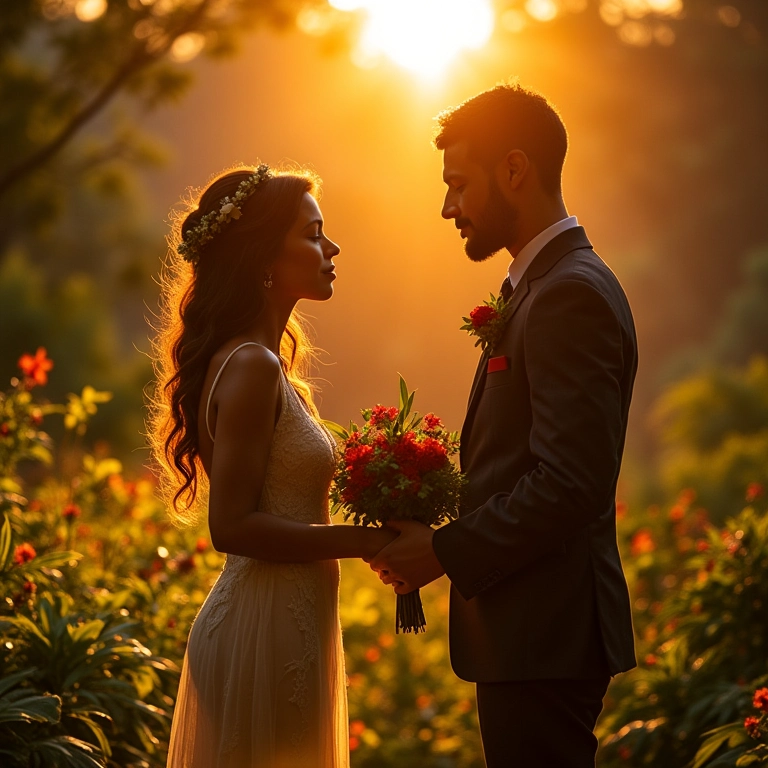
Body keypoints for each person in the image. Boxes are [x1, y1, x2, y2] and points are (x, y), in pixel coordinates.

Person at [371, 83, 638, 767]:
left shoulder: (569, 293)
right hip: (532, 636)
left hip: (547, 638)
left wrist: (444, 550)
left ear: (514, 169)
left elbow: (571, 483)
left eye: (458, 183)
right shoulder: (543, 286)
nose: (447, 207)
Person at [149, 163, 396, 768]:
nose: (331, 247)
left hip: (293, 622)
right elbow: (230, 526)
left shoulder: (263, 365)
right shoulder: (253, 366)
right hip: (263, 631)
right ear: (264, 257)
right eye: (313, 233)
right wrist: (371, 540)